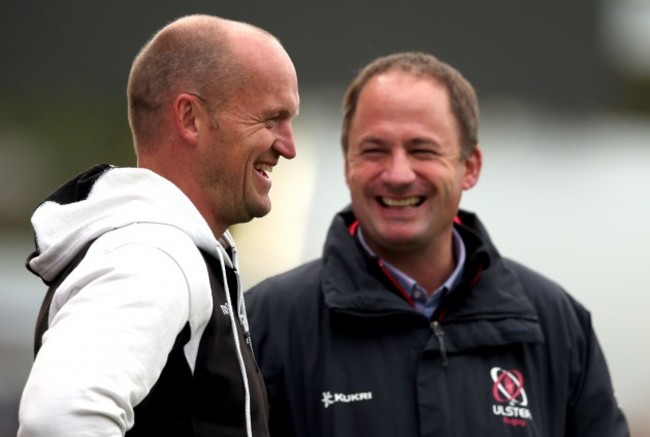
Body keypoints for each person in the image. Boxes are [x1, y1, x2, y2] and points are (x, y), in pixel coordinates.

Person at [244, 52, 629, 436]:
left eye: (422, 150)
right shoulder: (267, 323)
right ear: (348, 166)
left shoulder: (556, 324)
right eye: (374, 150)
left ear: (470, 167)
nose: (397, 174)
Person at [18, 14, 299, 437]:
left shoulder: (174, 249)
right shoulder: (151, 255)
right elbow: (58, 419)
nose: (289, 147)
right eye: (270, 119)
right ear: (189, 118)